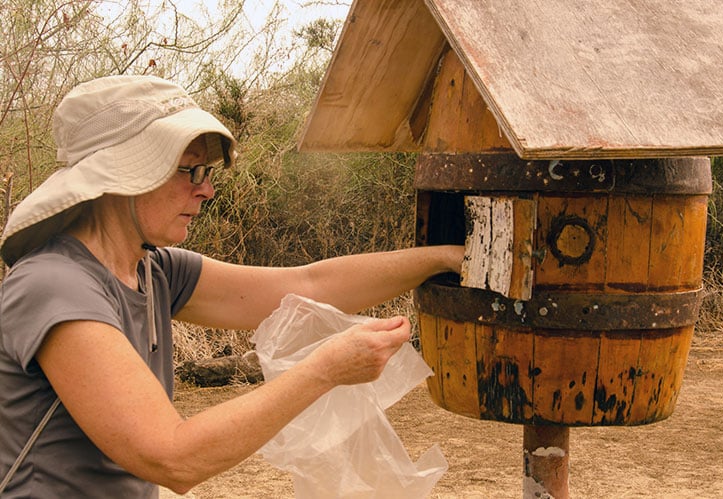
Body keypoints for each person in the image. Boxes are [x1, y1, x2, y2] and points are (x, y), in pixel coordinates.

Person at [0, 75, 463, 497]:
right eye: (191, 170)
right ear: (122, 175)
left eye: (208, 174)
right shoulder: (54, 285)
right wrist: (325, 369)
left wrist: (442, 258)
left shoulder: (155, 271)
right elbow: (172, 455)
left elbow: (309, 284)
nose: (207, 191)